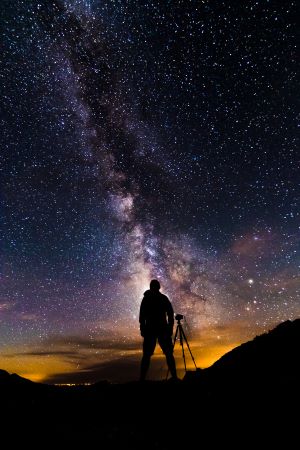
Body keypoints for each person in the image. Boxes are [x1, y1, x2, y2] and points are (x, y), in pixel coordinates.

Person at [139, 279, 178, 381]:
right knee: (168, 353)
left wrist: (143, 328)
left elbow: (142, 315)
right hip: (160, 329)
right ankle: (174, 377)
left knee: (148, 355)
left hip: (153, 330)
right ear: (158, 287)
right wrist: (170, 327)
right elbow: (170, 314)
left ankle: (142, 379)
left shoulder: (147, 299)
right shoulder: (162, 298)